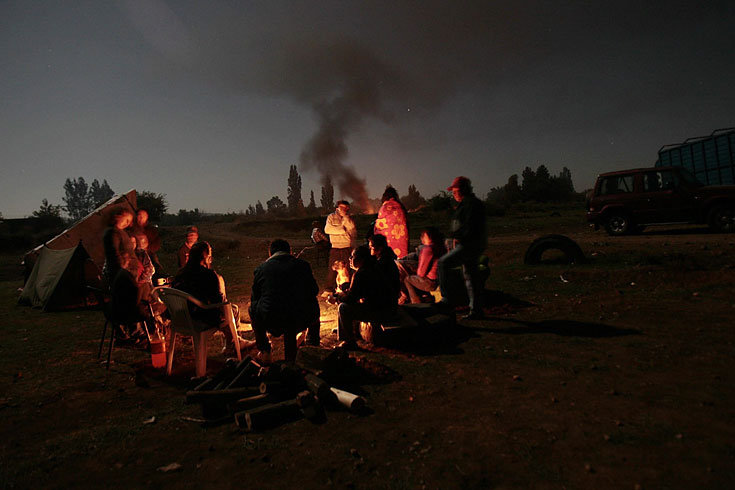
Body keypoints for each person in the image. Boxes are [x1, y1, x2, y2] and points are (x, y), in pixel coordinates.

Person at [249, 239, 321, 363]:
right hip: (300, 317)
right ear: (290, 251)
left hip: (271, 318)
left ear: (270, 254)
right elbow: (314, 290)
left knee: (253, 308)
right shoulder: (303, 265)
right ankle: (312, 344)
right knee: (313, 303)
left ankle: (264, 350)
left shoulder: (261, 269)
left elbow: (255, 297)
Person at [172, 241, 245, 353]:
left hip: (182, 319)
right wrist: (220, 284)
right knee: (232, 310)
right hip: (202, 319)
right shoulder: (209, 275)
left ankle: (234, 342)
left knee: (228, 310)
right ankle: (233, 344)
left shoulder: (179, 274)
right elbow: (219, 303)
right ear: (206, 258)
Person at [437, 176, 487, 319]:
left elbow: (469, 227)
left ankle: (447, 299)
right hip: (469, 244)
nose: (453, 194)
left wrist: (458, 238)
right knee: (470, 277)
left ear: (461, 190)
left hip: (469, 244)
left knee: (443, 263)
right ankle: (476, 310)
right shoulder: (465, 204)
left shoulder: (471, 205)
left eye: (454, 191)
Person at [335, 245, 397, 350]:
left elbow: (351, 298)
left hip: (380, 311)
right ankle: (351, 330)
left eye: (352, 257)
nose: (350, 259)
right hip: (388, 307)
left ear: (362, 259)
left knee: (343, 308)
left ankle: (348, 341)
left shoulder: (362, 273)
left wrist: (338, 297)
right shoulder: (374, 267)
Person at [397, 227, 447, 304]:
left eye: (423, 236)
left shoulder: (428, 249)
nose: (421, 238)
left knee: (408, 279)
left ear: (430, 237)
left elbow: (421, 273)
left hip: (430, 282)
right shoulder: (440, 246)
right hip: (438, 280)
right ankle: (425, 297)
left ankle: (416, 302)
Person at [110, 252, 150, 342]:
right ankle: (147, 333)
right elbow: (135, 298)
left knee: (146, 287)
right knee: (147, 290)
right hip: (126, 312)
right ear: (127, 261)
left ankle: (140, 332)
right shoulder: (125, 276)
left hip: (117, 309)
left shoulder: (119, 273)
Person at [323, 200, 357, 292]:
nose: (344, 209)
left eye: (346, 208)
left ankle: (347, 288)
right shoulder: (331, 217)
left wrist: (345, 218)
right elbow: (328, 229)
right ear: (337, 208)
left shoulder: (349, 218)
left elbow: (353, 232)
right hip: (335, 247)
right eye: (342, 207)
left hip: (347, 247)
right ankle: (329, 289)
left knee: (348, 269)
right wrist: (343, 229)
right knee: (332, 269)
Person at [102, 208, 137, 286]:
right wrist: (123, 268)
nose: (127, 224)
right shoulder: (112, 232)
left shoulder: (123, 233)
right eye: (126, 220)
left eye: (129, 222)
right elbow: (114, 252)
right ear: (118, 216)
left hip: (129, 274)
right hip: (122, 275)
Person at [373, 185, 409, 258]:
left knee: (388, 258)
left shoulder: (385, 207)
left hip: (388, 240)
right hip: (402, 239)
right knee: (400, 259)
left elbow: (380, 225)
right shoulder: (401, 207)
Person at [130, 209, 165, 278]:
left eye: (143, 216)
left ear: (146, 217)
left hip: (149, 253)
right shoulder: (132, 229)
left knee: (155, 266)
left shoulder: (151, 230)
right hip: (135, 254)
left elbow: (157, 243)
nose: (140, 218)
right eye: (139, 216)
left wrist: (148, 249)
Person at [367, 233, 401, 304]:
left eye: (371, 246)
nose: (369, 249)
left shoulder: (383, 263)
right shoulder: (381, 259)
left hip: (385, 300)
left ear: (380, 247)